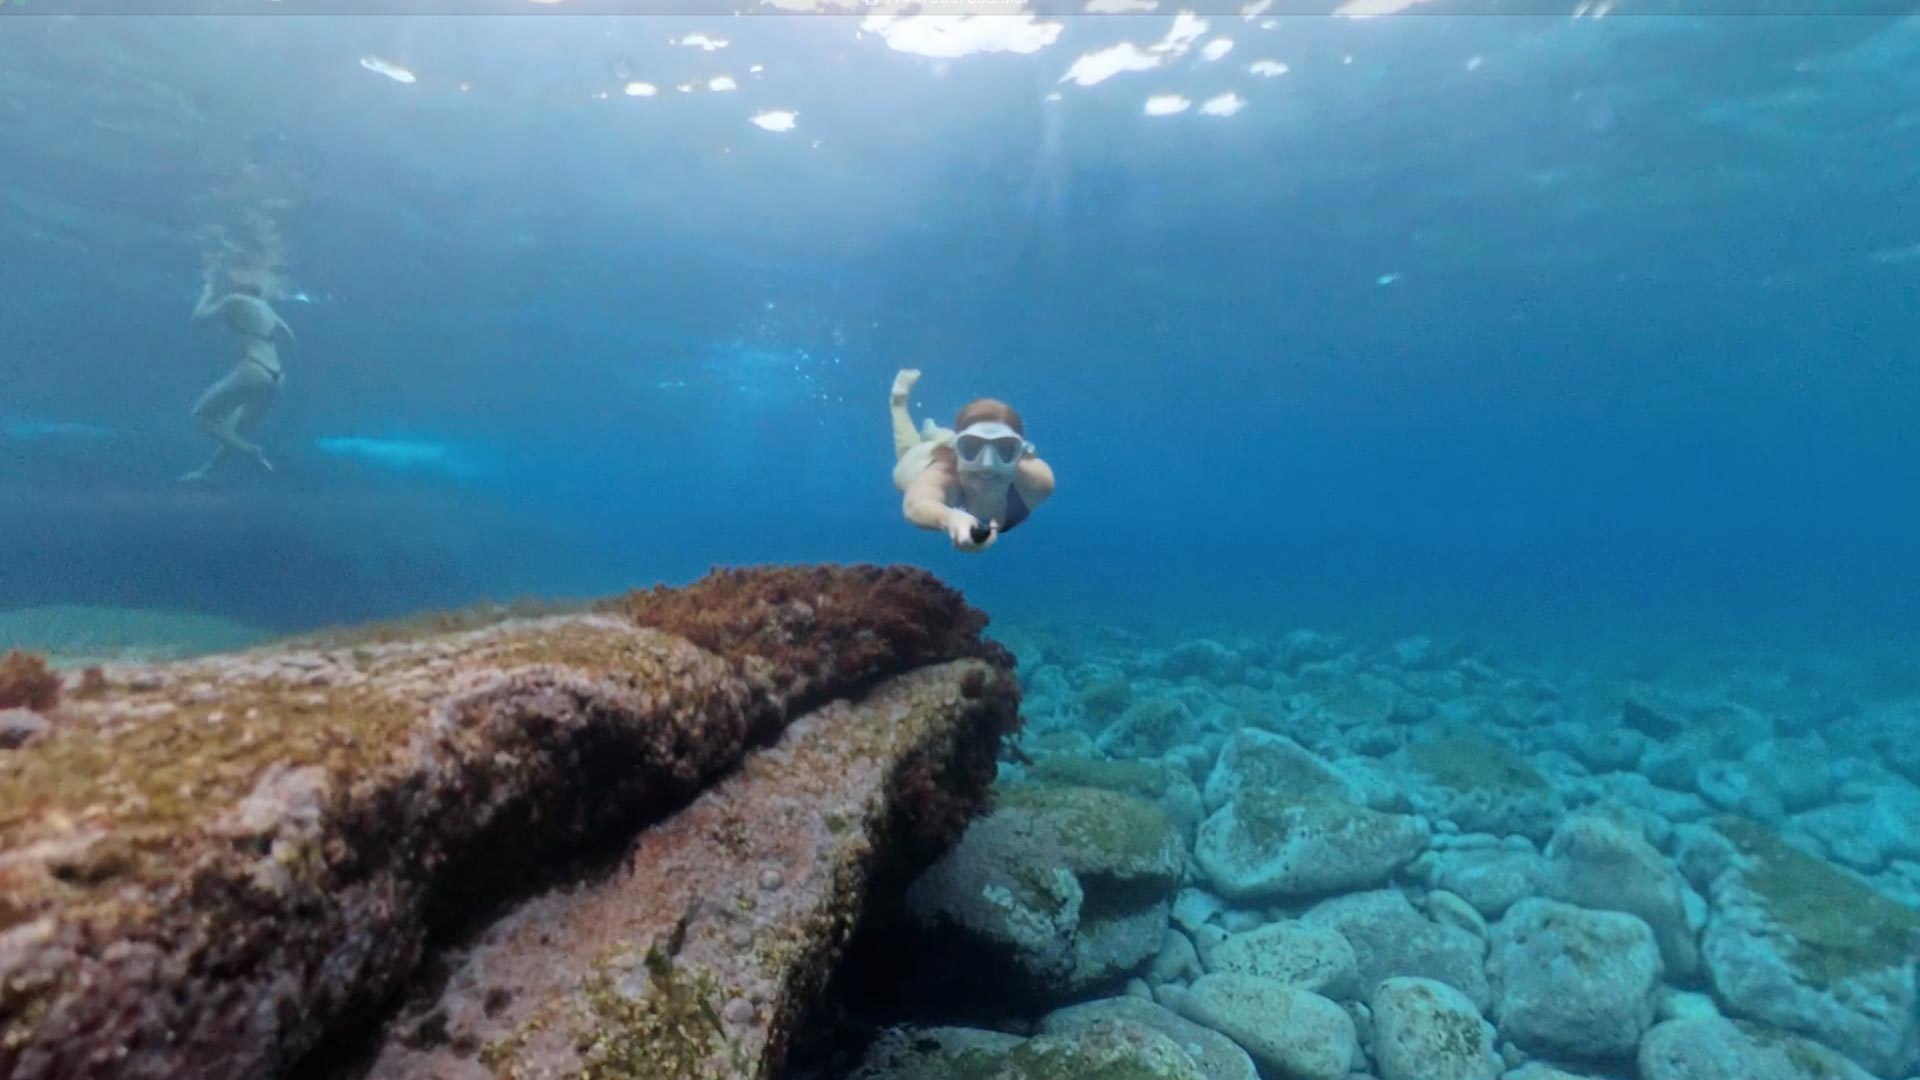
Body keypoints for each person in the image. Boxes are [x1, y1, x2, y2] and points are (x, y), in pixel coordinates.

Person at [891, 368, 1055, 551]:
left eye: (1004, 449)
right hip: (923, 460)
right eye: (972, 448)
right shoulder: (942, 474)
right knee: (908, 452)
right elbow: (916, 505)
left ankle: (941, 435)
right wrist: (950, 519)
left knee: (948, 438)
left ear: (1020, 454)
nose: (987, 464)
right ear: (957, 450)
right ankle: (899, 404)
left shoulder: (1037, 482)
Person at [181, 270, 295, 482]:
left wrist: (208, 292)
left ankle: (250, 451)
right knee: (232, 432)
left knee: (201, 416)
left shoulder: (234, 300)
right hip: (277, 378)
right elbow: (290, 339)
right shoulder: (266, 308)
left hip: (254, 369)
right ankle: (206, 472)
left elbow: (199, 319)